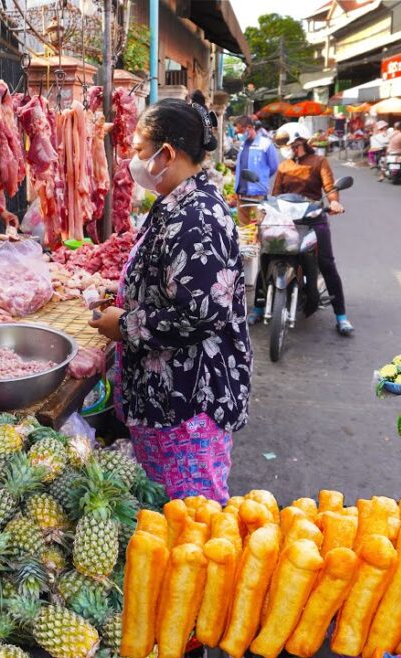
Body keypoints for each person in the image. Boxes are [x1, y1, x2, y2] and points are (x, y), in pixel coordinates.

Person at [89, 98, 251, 503]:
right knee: (165, 512)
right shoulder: (176, 202)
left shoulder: (197, 218)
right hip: (165, 396)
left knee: (193, 517)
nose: (134, 160)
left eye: (140, 150)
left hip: (188, 399)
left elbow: (201, 313)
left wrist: (123, 325)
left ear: (166, 154)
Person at [264, 128, 354, 336]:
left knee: (326, 263)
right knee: (268, 254)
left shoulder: (319, 162)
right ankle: (260, 306)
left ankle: (341, 316)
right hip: (288, 221)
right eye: (285, 147)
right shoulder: (284, 166)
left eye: (291, 145)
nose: (289, 150)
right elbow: (276, 194)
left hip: (313, 218)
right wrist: (267, 208)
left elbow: (330, 188)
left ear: (301, 142)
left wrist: (334, 203)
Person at [232, 115, 280, 225]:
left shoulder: (265, 144)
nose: (239, 135)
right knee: (243, 226)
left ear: (249, 127)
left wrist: (261, 177)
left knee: (262, 223)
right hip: (241, 192)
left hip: (257, 192)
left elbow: (274, 166)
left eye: (240, 132)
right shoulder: (242, 144)